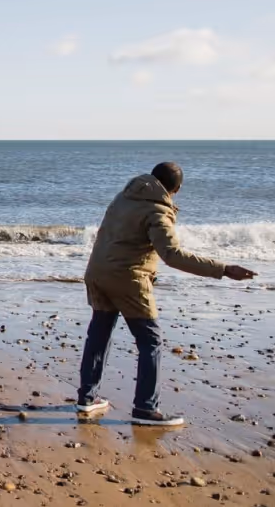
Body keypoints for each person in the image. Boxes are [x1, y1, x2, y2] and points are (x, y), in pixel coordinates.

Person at [76, 162, 256, 426]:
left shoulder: (125, 196)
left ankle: (86, 398)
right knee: (151, 341)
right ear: (177, 189)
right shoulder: (158, 211)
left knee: (99, 333)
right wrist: (224, 269)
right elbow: (172, 255)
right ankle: (146, 410)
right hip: (127, 278)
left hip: (97, 272)